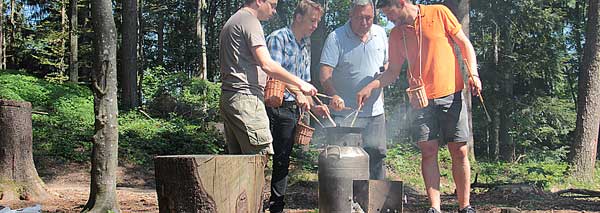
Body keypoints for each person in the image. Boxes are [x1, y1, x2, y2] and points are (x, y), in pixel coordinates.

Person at [356, 0, 481, 212]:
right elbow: (392, 71)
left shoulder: (439, 13)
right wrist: (370, 87)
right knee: (428, 151)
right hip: (421, 99)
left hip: (451, 92)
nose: (388, 19)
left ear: (401, 2)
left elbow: (464, 43)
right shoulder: (396, 35)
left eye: (389, 13)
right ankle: (435, 207)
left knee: (459, 150)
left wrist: (473, 74)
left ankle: (465, 206)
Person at [219, 0, 317, 155]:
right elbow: (267, 65)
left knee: (238, 164)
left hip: (231, 98)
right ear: (259, 1)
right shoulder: (250, 21)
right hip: (246, 100)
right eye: (272, 5)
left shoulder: (234, 20)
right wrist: (300, 84)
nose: (274, 11)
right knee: (259, 158)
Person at [264, 1, 327, 212]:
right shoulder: (278, 38)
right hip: (273, 106)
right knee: (261, 157)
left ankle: (276, 206)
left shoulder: (305, 46)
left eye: (317, 21)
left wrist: (315, 107)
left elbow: (305, 84)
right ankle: (251, 201)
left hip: (292, 111)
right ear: (298, 17)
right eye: (312, 20)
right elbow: (274, 73)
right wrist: (299, 91)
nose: (315, 25)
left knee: (283, 160)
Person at [320, 0, 389, 180]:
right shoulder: (336, 37)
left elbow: (388, 65)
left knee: (376, 158)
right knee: (345, 162)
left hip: (375, 113)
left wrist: (382, 77)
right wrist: (333, 94)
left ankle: (374, 205)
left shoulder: (381, 33)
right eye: (360, 18)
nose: (365, 23)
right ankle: (345, 202)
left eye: (369, 18)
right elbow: (325, 73)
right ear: (350, 16)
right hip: (346, 116)